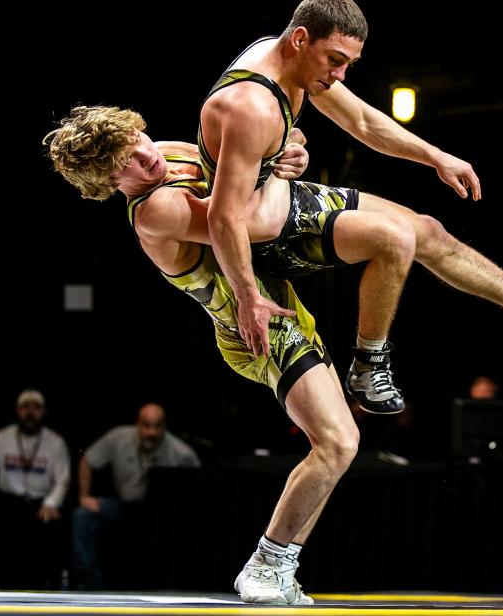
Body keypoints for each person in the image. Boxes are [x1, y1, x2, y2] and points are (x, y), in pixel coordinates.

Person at [197, 0, 503, 419]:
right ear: (300, 38)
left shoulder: (285, 58)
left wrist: (436, 157)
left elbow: (360, 121)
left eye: (348, 65)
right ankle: (368, 366)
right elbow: (224, 216)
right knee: (395, 241)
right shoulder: (250, 105)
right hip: (266, 234)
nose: (340, 75)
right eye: (335, 60)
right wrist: (248, 297)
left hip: (284, 199)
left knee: (428, 230)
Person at [45, 106, 348, 605]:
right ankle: (266, 564)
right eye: (128, 162)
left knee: (341, 445)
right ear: (108, 182)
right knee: (337, 442)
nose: (147, 157)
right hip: (254, 326)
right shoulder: (153, 210)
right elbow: (252, 224)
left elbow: (263, 159)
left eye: (138, 139)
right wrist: (274, 170)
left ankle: (281, 567)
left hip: (280, 299)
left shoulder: (167, 152)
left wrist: (290, 151)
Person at [72, 402, 201, 589]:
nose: (151, 432)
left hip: (160, 515)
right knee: (82, 516)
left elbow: (198, 483)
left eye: (157, 427)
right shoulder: (119, 437)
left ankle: (171, 585)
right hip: (124, 505)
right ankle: (89, 582)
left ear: (164, 427)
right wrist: (84, 496)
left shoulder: (181, 453)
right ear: (138, 425)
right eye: (147, 426)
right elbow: (88, 460)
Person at [0, 388, 71, 588]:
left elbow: (63, 479)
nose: (30, 412)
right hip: (9, 501)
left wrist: (52, 502)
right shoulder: (1, 437)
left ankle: (51, 581)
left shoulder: (56, 442)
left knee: (51, 523)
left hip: (40, 503)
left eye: (36, 408)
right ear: (17, 410)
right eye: (25, 407)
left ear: (44, 412)